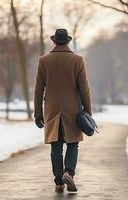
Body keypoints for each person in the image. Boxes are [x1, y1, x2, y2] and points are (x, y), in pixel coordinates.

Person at [34, 29, 92, 193]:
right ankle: (69, 172)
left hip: (52, 110)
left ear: (54, 42)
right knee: (73, 144)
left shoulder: (43, 61)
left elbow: (39, 89)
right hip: (72, 110)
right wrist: (88, 111)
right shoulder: (78, 60)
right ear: (67, 41)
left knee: (56, 147)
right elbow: (84, 89)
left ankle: (59, 181)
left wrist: (38, 112)